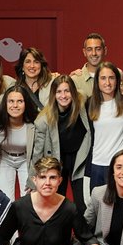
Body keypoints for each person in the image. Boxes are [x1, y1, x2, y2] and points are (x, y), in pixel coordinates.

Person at [32, 74, 91, 204]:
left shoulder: (81, 102)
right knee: (55, 203)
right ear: (53, 94)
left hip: (79, 159)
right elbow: (37, 151)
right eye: (59, 92)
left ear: (73, 93)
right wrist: (32, 180)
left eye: (67, 91)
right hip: (58, 160)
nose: (63, 96)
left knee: (83, 204)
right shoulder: (44, 120)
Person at [87, 62, 123, 192]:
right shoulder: (90, 104)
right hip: (98, 163)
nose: (107, 82)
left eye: (111, 78)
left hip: (122, 164)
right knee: (99, 209)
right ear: (97, 81)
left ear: (118, 80)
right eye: (103, 78)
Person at [0, 85, 40, 198]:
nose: (15, 105)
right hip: (4, 159)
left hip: (25, 160)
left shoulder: (34, 122)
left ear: (26, 103)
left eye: (20, 101)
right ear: (5, 104)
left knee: (29, 196)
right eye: (11, 101)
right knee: (4, 197)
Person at [70, 32, 109, 98]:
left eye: (98, 49)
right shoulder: (75, 80)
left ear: (105, 50)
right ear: (84, 52)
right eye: (89, 49)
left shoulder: (116, 74)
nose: (94, 53)